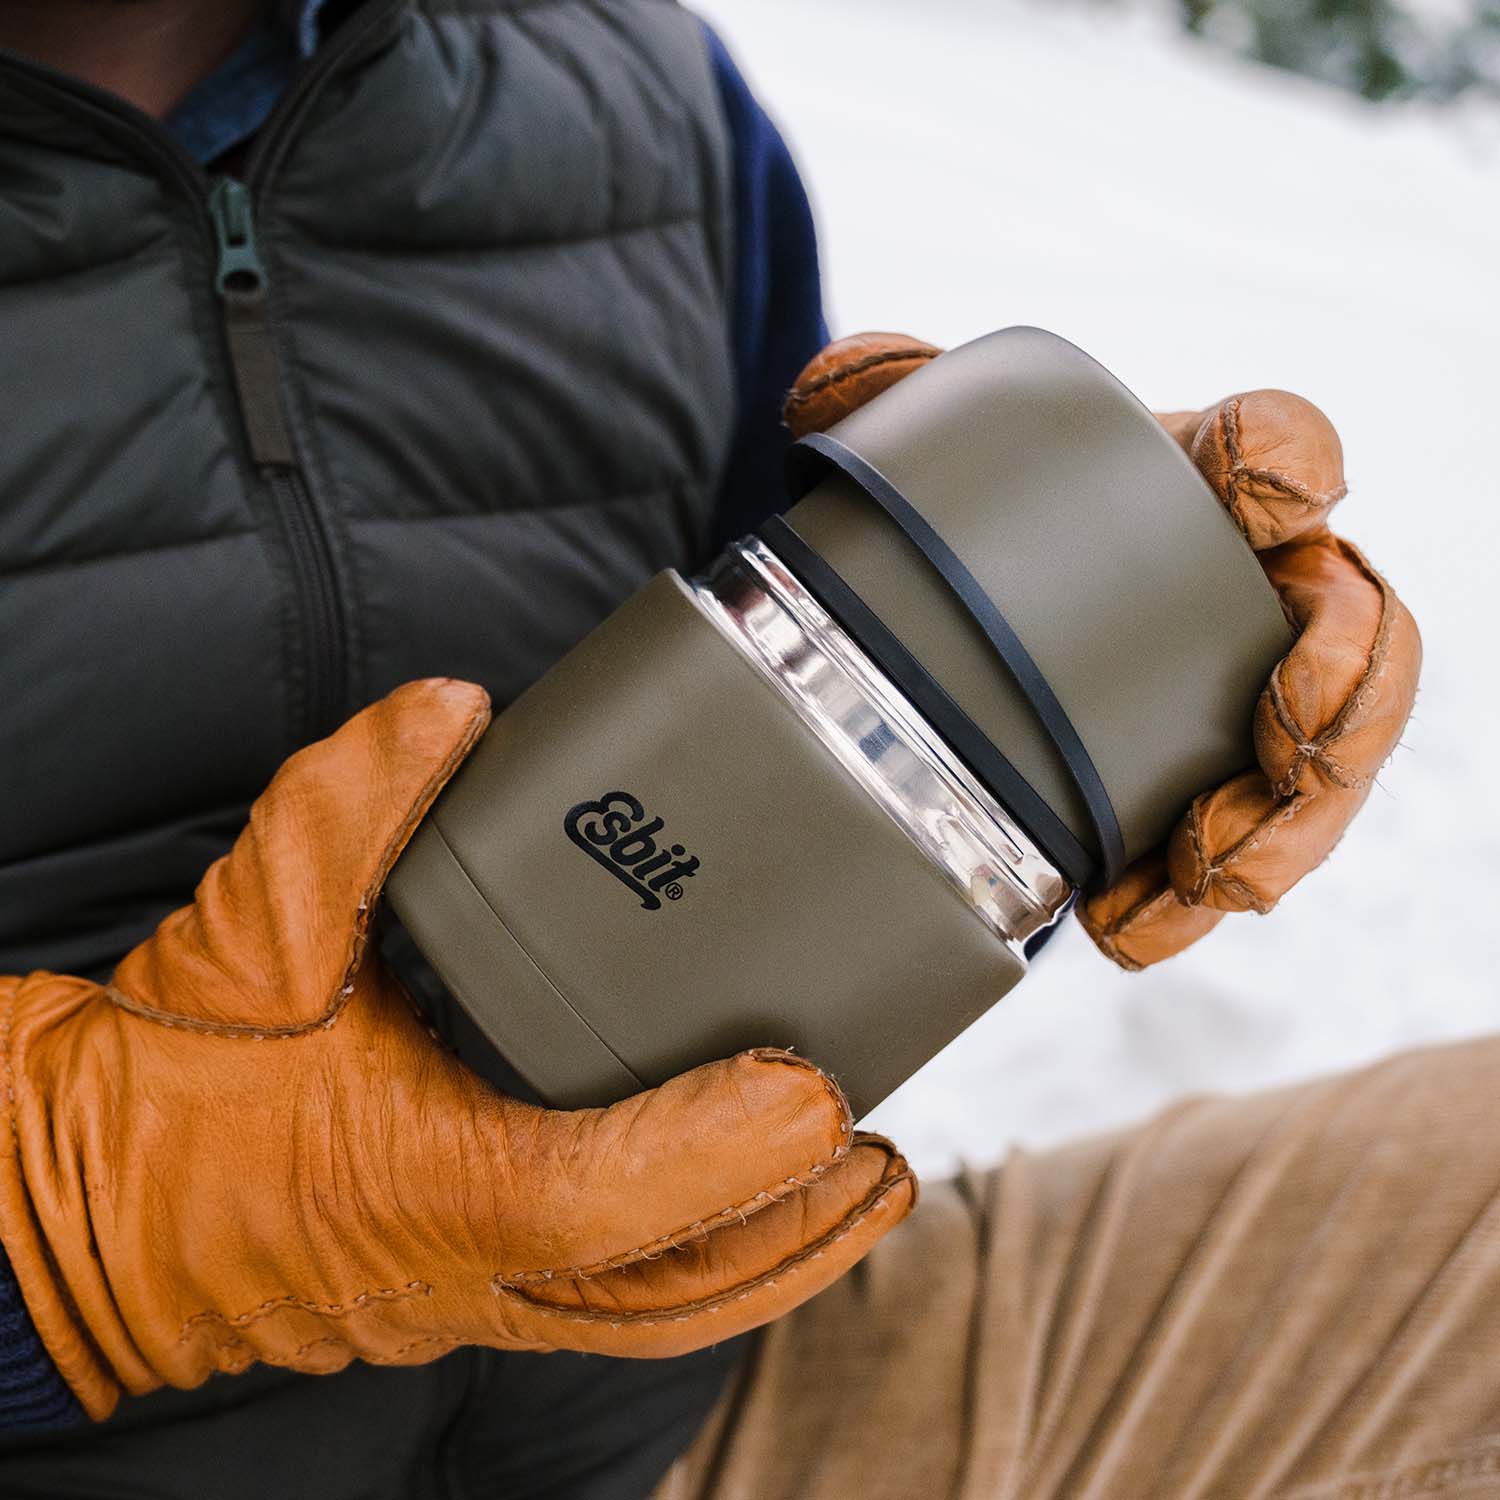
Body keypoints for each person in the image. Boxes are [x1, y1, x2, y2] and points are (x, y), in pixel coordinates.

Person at [0, 4, 1463, 1498]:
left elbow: (791, 720)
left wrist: (1097, 614)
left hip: (685, 1411)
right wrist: (97, 1229)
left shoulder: (638, 101)